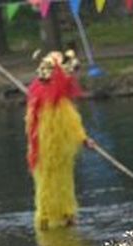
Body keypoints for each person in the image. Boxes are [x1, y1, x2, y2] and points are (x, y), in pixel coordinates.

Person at [26, 49, 92, 229]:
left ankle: (55, 215)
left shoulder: (40, 102)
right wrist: (84, 139)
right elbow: (72, 125)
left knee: (54, 181)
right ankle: (55, 215)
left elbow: (70, 124)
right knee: (54, 181)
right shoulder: (46, 102)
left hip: (53, 151)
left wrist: (83, 139)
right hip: (48, 151)